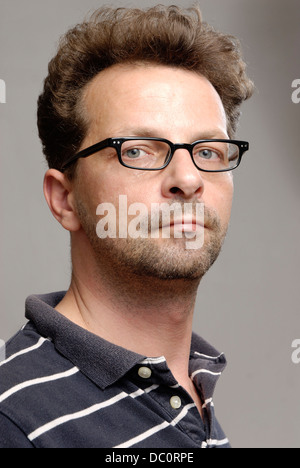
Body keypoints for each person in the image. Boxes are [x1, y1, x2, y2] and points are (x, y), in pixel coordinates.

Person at [0, 5, 253, 448]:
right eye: (138, 150)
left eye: (209, 151)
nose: (188, 179)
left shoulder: (193, 386)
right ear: (65, 199)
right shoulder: (13, 420)